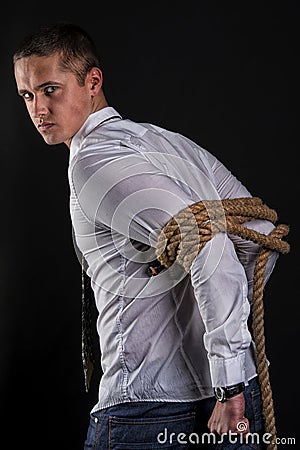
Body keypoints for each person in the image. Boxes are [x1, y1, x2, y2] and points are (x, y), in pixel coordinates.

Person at [13, 22, 280, 449]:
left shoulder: (94, 161)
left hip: (151, 410)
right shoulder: (167, 144)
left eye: (50, 90)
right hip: (234, 398)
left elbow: (212, 246)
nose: (37, 109)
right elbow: (258, 234)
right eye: (26, 95)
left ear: (92, 81)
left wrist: (226, 382)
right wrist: (225, 364)